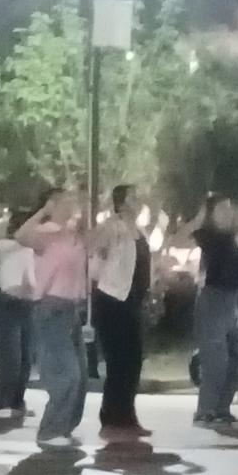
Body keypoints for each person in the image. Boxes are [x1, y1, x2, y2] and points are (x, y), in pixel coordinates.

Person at [17, 189, 88, 448]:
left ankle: (64, 427)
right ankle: (50, 430)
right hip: (51, 307)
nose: (73, 205)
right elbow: (20, 236)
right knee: (66, 373)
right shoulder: (46, 233)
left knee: (80, 375)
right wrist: (43, 212)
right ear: (55, 205)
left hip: (70, 308)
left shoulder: (72, 234)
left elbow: (94, 242)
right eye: (67, 201)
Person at [92, 184, 151, 443]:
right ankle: (111, 416)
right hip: (113, 298)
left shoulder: (139, 229)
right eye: (133, 197)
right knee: (118, 360)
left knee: (133, 359)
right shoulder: (113, 226)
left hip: (132, 300)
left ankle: (127, 415)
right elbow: (93, 245)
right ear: (122, 202)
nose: (138, 201)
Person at [185, 194, 238, 428]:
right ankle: (205, 410)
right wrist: (199, 216)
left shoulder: (231, 236)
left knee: (236, 358)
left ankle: (221, 408)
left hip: (231, 302)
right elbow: (179, 238)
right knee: (216, 359)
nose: (228, 212)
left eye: (229, 208)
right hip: (213, 300)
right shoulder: (207, 236)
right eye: (222, 209)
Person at [0, 209, 36, 421]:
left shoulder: (32, 249)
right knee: (12, 357)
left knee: (26, 357)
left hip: (27, 304)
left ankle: (17, 400)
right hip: (9, 303)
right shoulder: (5, 247)